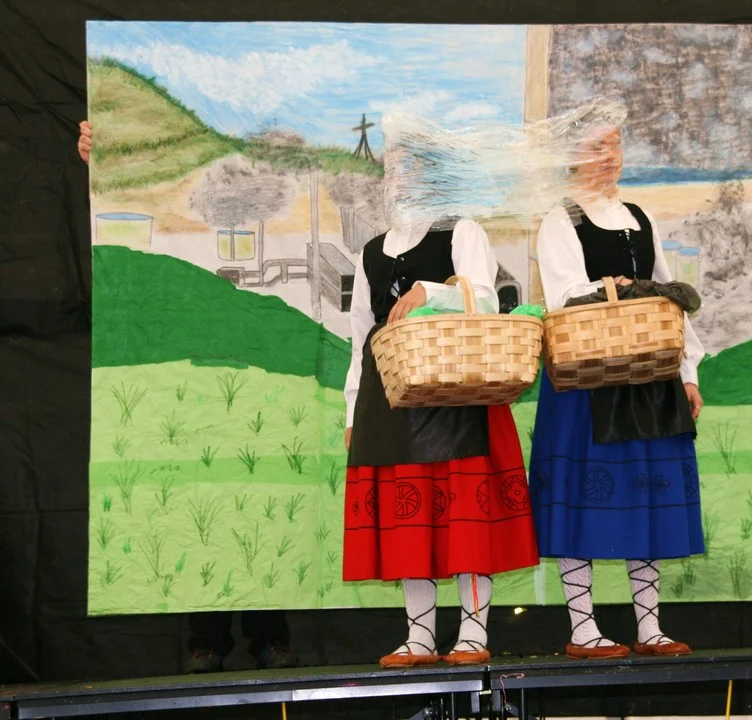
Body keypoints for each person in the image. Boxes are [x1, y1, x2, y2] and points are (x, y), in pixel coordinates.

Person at [78, 121, 299, 673]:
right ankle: (207, 638)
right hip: (198, 381)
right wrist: (102, 165)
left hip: (258, 377)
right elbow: (139, 202)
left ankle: (269, 634)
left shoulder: (266, 211)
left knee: (263, 500)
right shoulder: (186, 202)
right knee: (199, 498)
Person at [528, 119, 705, 659]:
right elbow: (564, 295)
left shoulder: (639, 217)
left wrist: (689, 372)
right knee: (580, 499)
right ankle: (583, 627)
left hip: (648, 377)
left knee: (645, 497)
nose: (608, 156)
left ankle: (649, 626)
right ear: (572, 156)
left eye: (614, 145)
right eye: (595, 147)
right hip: (587, 379)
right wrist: (621, 291)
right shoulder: (560, 219)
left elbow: (670, 302)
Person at [342, 207, 539, 667]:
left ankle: (473, 632)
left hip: (457, 391)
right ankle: (420, 636)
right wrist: (352, 411)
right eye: (396, 171)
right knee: (409, 521)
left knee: (467, 520)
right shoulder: (371, 251)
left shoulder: (461, 230)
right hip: (390, 395)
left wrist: (428, 291)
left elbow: (484, 300)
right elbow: (360, 337)